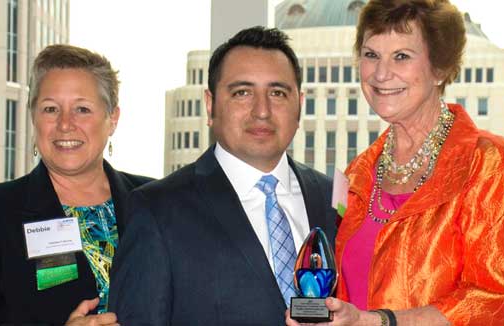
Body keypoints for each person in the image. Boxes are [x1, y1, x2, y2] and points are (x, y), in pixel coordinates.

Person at [286, 0, 504, 325]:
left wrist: (377, 321)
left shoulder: (491, 166)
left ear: (440, 68)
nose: (380, 73)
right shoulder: (352, 175)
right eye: (370, 54)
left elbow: (490, 300)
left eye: (401, 56)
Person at [108, 26, 337, 325]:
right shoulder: (158, 210)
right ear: (210, 104)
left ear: (299, 105)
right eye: (242, 93)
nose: (262, 111)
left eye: (278, 93)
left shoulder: (332, 198)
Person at [0, 44, 152, 325]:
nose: (65, 124)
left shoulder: (157, 202)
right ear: (33, 116)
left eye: (82, 109)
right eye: (50, 109)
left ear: (112, 119)